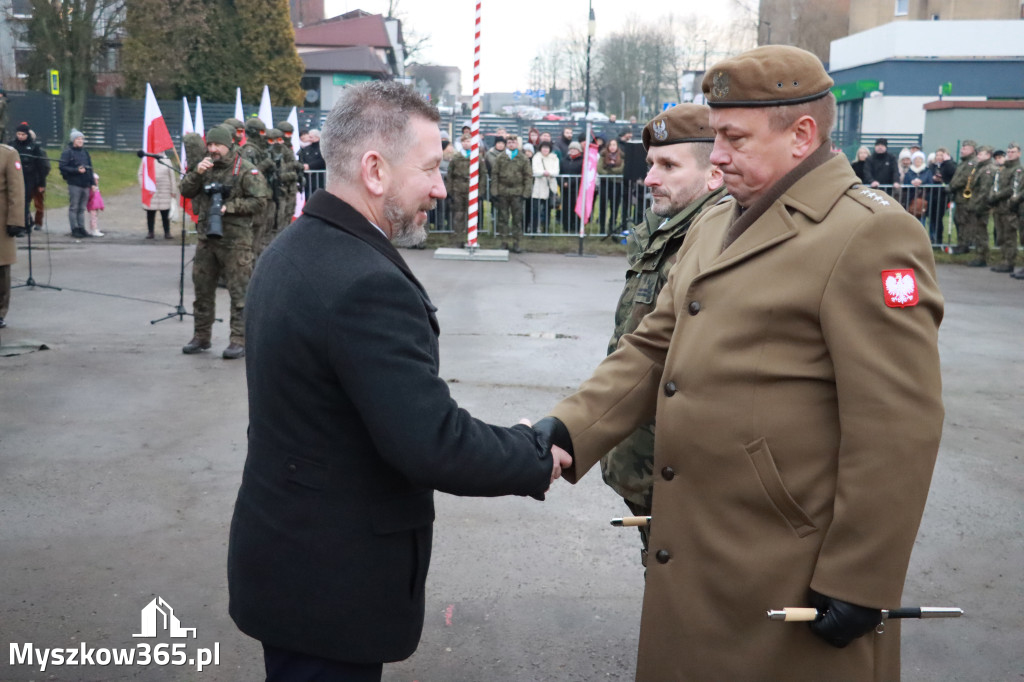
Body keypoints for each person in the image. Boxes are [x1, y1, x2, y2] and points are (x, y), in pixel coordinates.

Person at [535, 45, 944, 681]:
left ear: (802, 135)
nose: (716, 154)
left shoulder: (867, 234)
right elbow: (652, 345)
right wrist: (568, 429)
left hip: (787, 562)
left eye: (733, 137)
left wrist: (862, 575)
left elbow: (897, 421)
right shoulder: (718, 219)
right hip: (701, 541)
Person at [226, 80, 570, 682]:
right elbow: (431, 443)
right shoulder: (365, 283)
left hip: (291, 566)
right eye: (433, 169)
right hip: (330, 588)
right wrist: (533, 453)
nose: (442, 187)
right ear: (376, 170)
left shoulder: (294, 247)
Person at [599, 103, 726, 564]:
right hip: (646, 458)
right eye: (651, 164)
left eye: (668, 165)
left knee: (690, 595)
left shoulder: (721, 241)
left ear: (715, 175)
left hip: (684, 468)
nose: (650, 177)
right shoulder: (665, 229)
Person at [178, 125, 268, 359]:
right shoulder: (204, 167)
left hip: (236, 242)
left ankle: (239, 339)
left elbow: (260, 202)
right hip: (207, 239)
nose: (213, 149)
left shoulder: (246, 170)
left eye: (217, 145)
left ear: (229, 145)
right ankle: (201, 336)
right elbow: (186, 191)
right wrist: (196, 172)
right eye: (210, 145)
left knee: (239, 294)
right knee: (203, 291)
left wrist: (232, 207)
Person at [0, 141, 26, 330]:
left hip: (1, 222)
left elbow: (16, 190)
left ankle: (0, 312)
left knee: (1, 269)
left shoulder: (7, 154)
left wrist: (16, 221)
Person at [956, 145, 995, 267]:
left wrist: (978, 205)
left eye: (981, 154)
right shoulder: (979, 168)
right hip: (975, 203)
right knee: (977, 232)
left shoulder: (988, 169)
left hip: (981, 205)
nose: (978, 155)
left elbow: (984, 190)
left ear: (988, 155)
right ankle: (979, 255)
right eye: (977, 153)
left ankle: (982, 257)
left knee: (981, 232)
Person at [491, 134, 532, 252]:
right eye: (509, 142)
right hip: (503, 191)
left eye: (513, 142)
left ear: (517, 144)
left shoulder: (523, 158)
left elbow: (528, 176)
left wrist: (526, 193)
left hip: (517, 192)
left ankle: (516, 242)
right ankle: (504, 241)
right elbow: (495, 175)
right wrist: (494, 191)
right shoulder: (500, 157)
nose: (511, 144)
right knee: (503, 217)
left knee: (517, 219)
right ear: (506, 144)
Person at [10, 122, 50, 229]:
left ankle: (25, 225)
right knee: (14, 202)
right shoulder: (11, 145)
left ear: (27, 135)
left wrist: (42, 183)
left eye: (23, 135)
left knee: (26, 202)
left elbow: (41, 166)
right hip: (14, 178)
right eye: (19, 134)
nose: (21, 137)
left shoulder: (35, 147)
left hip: (30, 178)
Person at [988, 144, 1019, 273]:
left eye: (1013, 152)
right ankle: (1003, 259)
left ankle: (1009, 261)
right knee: (1001, 235)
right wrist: (992, 196)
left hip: (1009, 208)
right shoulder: (1003, 169)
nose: (1010, 154)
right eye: (1008, 151)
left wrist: (996, 196)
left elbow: (1013, 188)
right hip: (999, 208)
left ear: (1019, 154)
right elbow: (996, 185)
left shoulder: (1018, 169)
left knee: (1009, 236)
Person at [58, 129, 93, 239]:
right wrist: (76, 170)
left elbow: (90, 167)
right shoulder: (67, 152)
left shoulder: (85, 152)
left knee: (82, 208)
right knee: (74, 207)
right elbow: (62, 167)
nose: (80, 141)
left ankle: (82, 228)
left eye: (82, 139)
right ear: (73, 140)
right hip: (74, 183)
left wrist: (92, 183)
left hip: (85, 183)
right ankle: (75, 229)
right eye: (78, 139)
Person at [138, 151, 179, 239]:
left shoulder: (167, 160)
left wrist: (173, 191)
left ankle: (167, 232)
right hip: (151, 191)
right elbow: (140, 174)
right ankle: (150, 232)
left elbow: (172, 176)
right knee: (150, 213)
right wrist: (144, 186)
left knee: (165, 213)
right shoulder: (146, 159)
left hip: (165, 190)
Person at [531, 140, 560, 233]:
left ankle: (546, 230)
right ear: (540, 148)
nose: (545, 150)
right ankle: (534, 229)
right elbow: (535, 171)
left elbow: (556, 171)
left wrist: (548, 173)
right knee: (535, 211)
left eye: (547, 148)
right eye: (543, 148)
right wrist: (544, 173)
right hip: (538, 187)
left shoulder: (554, 158)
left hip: (550, 187)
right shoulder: (536, 157)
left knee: (548, 211)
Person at [597, 138, 625, 231]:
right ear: (608, 146)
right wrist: (611, 173)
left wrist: (609, 170)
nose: (612, 147)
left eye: (614, 145)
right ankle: (601, 228)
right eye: (610, 145)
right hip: (605, 183)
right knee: (603, 206)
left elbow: (621, 169)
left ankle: (612, 227)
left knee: (615, 207)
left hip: (616, 184)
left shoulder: (621, 156)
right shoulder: (603, 155)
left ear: (617, 146)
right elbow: (600, 169)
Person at [559, 141, 584, 233]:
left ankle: (576, 226)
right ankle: (567, 226)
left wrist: (570, 183)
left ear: (579, 150)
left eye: (575, 149)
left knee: (576, 208)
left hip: (577, 189)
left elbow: (581, 175)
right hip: (565, 189)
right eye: (571, 149)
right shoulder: (563, 161)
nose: (572, 151)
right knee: (566, 208)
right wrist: (563, 183)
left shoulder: (582, 161)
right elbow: (560, 173)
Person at [297, 128, 325, 195]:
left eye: (311, 137)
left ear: (317, 137)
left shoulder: (323, 148)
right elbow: (301, 159)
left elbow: (322, 161)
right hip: (307, 179)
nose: (308, 138)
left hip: (319, 179)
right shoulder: (306, 149)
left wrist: (310, 166)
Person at [85, 173, 104, 237]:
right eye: (95, 180)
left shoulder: (97, 188)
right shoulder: (91, 189)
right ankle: (93, 229)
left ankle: (93, 229)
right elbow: (90, 198)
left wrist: (101, 206)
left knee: (95, 217)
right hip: (92, 206)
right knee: (93, 218)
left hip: (96, 206)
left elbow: (99, 198)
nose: (97, 181)